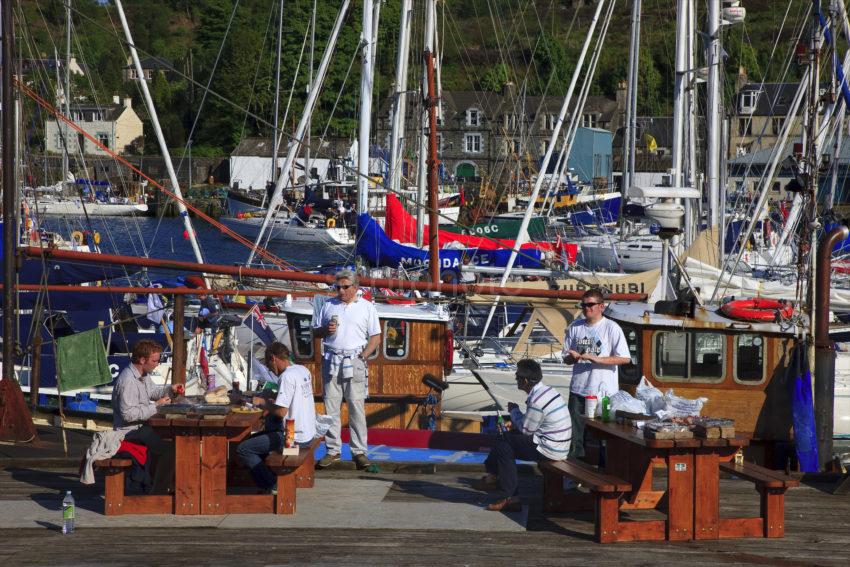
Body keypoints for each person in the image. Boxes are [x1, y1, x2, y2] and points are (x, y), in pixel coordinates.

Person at [472, 359, 571, 512]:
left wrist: (514, 411)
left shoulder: (537, 400)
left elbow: (526, 430)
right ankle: (494, 478)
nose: (515, 379)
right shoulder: (547, 391)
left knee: (504, 443)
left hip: (550, 448)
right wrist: (516, 422)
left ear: (525, 381)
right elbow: (533, 423)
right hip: (557, 444)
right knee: (505, 437)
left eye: (517, 377)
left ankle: (510, 496)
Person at [313, 269, 381, 470]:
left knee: (356, 408)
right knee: (331, 407)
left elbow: (376, 336)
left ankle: (359, 451)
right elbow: (316, 331)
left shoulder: (367, 307)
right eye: (338, 287)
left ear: (355, 288)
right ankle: (332, 450)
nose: (340, 291)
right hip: (332, 358)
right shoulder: (327, 305)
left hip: (355, 359)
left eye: (345, 287)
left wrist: (363, 356)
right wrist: (326, 330)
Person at [236, 342, 317, 492]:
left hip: (293, 437)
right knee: (257, 439)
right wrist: (273, 396)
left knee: (244, 449)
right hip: (308, 432)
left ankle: (271, 485)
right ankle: (267, 478)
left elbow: (281, 412)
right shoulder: (302, 370)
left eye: (268, 365)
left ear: (273, 358)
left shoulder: (286, 377)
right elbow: (294, 398)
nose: (269, 370)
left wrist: (262, 402)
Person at [562, 288, 630, 458]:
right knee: (575, 437)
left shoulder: (612, 328)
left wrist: (596, 359)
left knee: (604, 436)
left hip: (603, 393)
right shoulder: (575, 327)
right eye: (583, 305)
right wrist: (573, 358)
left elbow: (624, 358)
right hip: (578, 390)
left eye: (590, 305)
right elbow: (565, 358)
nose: (586, 308)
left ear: (601, 306)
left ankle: (604, 471)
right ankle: (574, 475)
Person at [112, 340, 181, 493]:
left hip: (140, 428)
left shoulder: (142, 375)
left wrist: (171, 389)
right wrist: (156, 406)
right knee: (171, 449)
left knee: (172, 443)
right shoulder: (128, 381)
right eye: (155, 360)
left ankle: (158, 485)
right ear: (142, 360)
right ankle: (158, 491)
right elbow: (128, 415)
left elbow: (154, 392)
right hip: (128, 432)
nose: (157, 364)